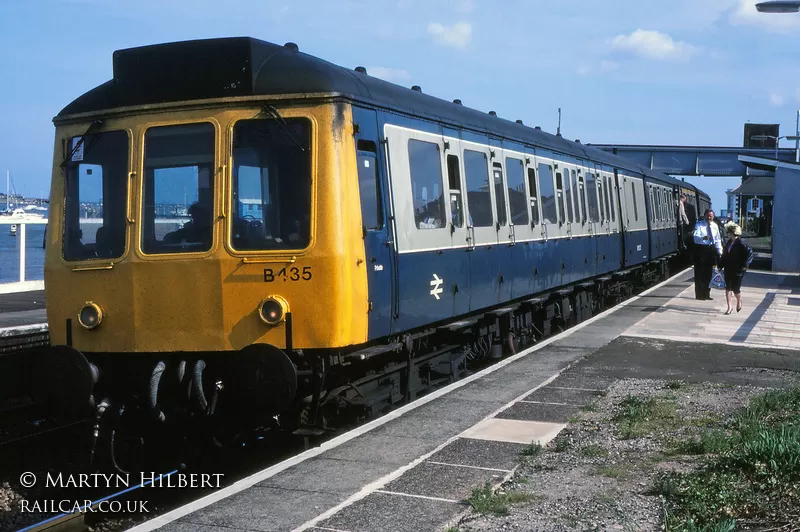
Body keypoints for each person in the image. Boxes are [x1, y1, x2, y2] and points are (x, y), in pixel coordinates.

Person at [720, 222, 752, 315]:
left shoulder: (741, 244)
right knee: (727, 288)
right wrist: (720, 265)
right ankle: (729, 308)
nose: (727, 235)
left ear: (732, 233)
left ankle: (739, 301)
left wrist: (745, 265)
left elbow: (750, 253)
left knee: (735, 289)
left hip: (738, 270)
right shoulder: (728, 243)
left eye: (728, 233)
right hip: (728, 268)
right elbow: (724, 256)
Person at [692, 208, 723, 301]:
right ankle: (699, 294)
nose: (710, 217)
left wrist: (720, 251)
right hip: (701, 249)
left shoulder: (715, 226)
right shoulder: (699, 225)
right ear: (705, 215)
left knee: (709, 273)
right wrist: (706, 237)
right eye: (708, 216)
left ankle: (707, 293)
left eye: (711, 216)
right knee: (700, 273)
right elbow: (696, 238)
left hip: (711, 250)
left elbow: (717, 239)